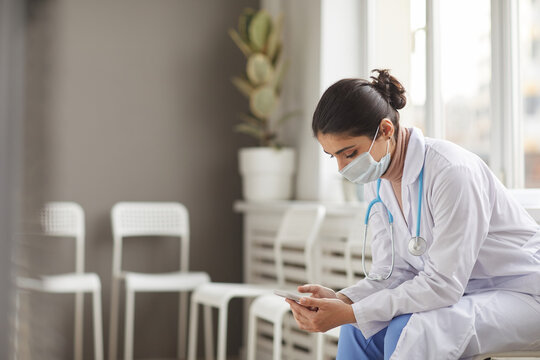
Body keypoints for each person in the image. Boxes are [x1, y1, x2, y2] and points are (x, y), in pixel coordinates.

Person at [286, 69, 540, 359]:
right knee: (357, 330)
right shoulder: (377, 181)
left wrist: (353, 311)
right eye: (335, 157)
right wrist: (343, 299)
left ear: (385, 130)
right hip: (464, 293)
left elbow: (442, 285)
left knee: (409, 330)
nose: (343, 168)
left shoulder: (451, 171)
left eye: (350, 153)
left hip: (523, 293)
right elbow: (392, 273)